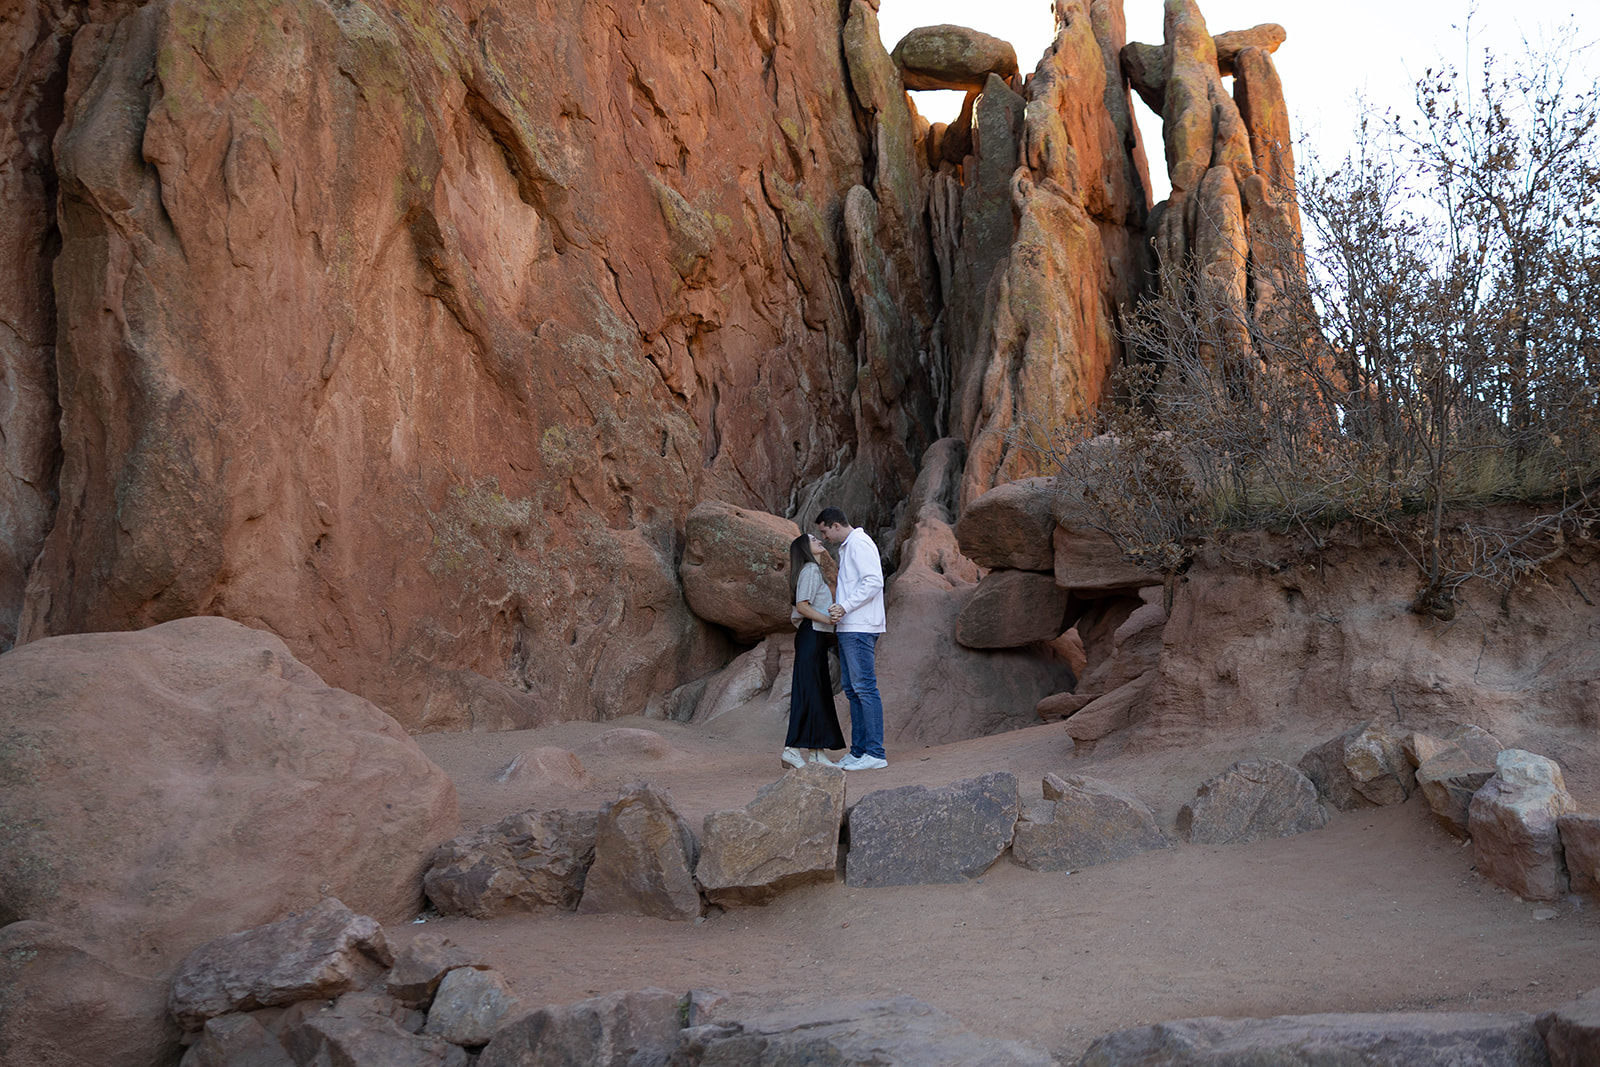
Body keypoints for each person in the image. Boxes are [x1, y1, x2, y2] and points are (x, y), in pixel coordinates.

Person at [815, 507, 887, 770]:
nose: (824, 537)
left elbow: (873, 582)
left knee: (864, 688)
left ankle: (876, 753)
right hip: (849, 627)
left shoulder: (859, 544)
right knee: (853, 690)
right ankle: (858, 752)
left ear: (835, 526)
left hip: (860, 626)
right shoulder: (849, 546)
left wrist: (844, 606)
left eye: (824, 531)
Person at [781, 533, 846, 769]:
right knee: (808, 691)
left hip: (814, 636)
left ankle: (817, 755)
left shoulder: (813, 570)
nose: (818, 539)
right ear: (804, 549)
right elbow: (802, 606)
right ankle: (791, 750)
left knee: (817, 692)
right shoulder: (809, 569)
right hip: (811, 633)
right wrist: (829, 620)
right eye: (812, 539)